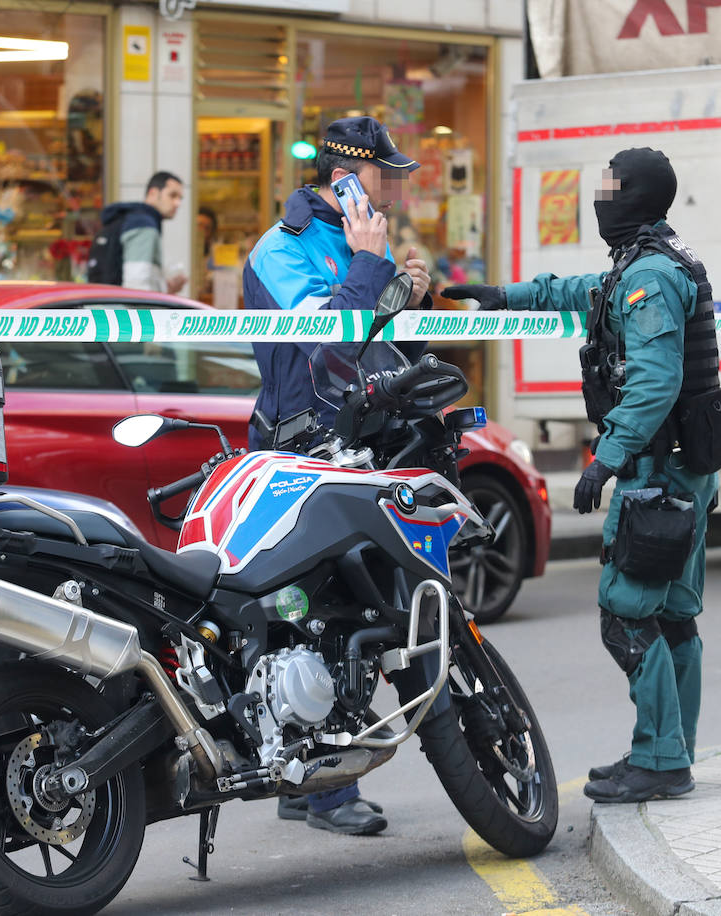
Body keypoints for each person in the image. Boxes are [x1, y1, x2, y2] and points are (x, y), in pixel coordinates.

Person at [444, 147, 719, 804]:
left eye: (610, 189)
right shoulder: (651, 265)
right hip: (688, 467)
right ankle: (671, 752)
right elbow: (582, 293)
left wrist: (606, 461)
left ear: (636, 200)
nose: (600, 200)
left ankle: (659, 758)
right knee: (674, 617)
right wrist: (503, 296)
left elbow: (653, 384)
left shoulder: (650, 278)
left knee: (626, 616)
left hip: (658, 471)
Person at [244, 115, 432, 834]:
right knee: (314, 620)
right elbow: (331, 343)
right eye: (391, 175)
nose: (399, 188)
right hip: (303, 453)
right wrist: (367, 265)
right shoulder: (283, 250)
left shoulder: (356, 242)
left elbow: (370, 340)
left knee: (375, 613)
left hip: (361, 444)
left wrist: (398, 293)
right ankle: (315, 789)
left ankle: (324, 779)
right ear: (351, 176)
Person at [91, 171, 186, 293]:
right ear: (153, 193)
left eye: (180, 198)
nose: (177, 203)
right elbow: (137, 287)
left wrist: (165, 288)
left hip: (104, 307)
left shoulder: (123, 219)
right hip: (122, 310)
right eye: (172, 196)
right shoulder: (143, 224)